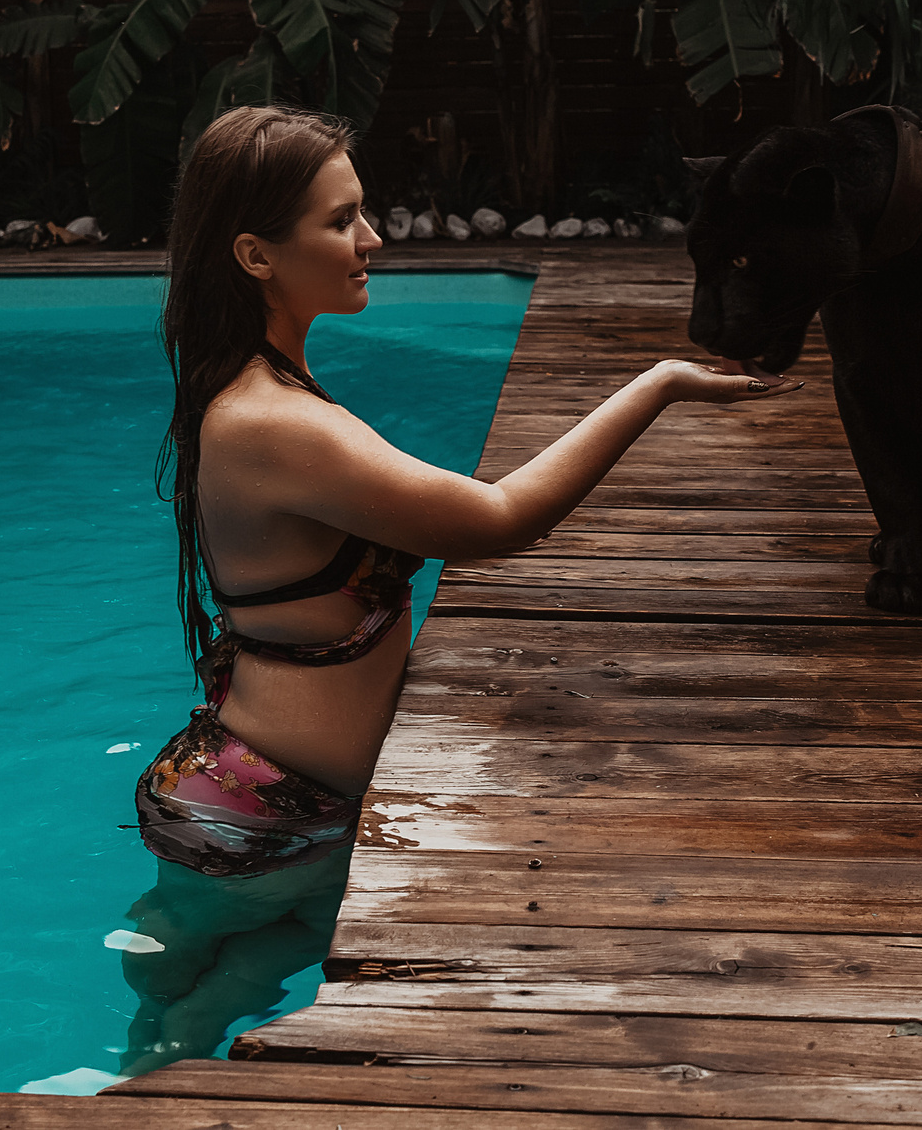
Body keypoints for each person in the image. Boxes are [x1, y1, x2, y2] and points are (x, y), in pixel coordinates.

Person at [132, 105, 796, 878]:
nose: (372, 238)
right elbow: (502, 518)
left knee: (221, 997)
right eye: (342, 220)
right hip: (255, 812)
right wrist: (660, 385)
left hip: (262, 801)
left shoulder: (256, 391)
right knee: (196, 1005)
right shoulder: (273, 421)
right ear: (257, 255)